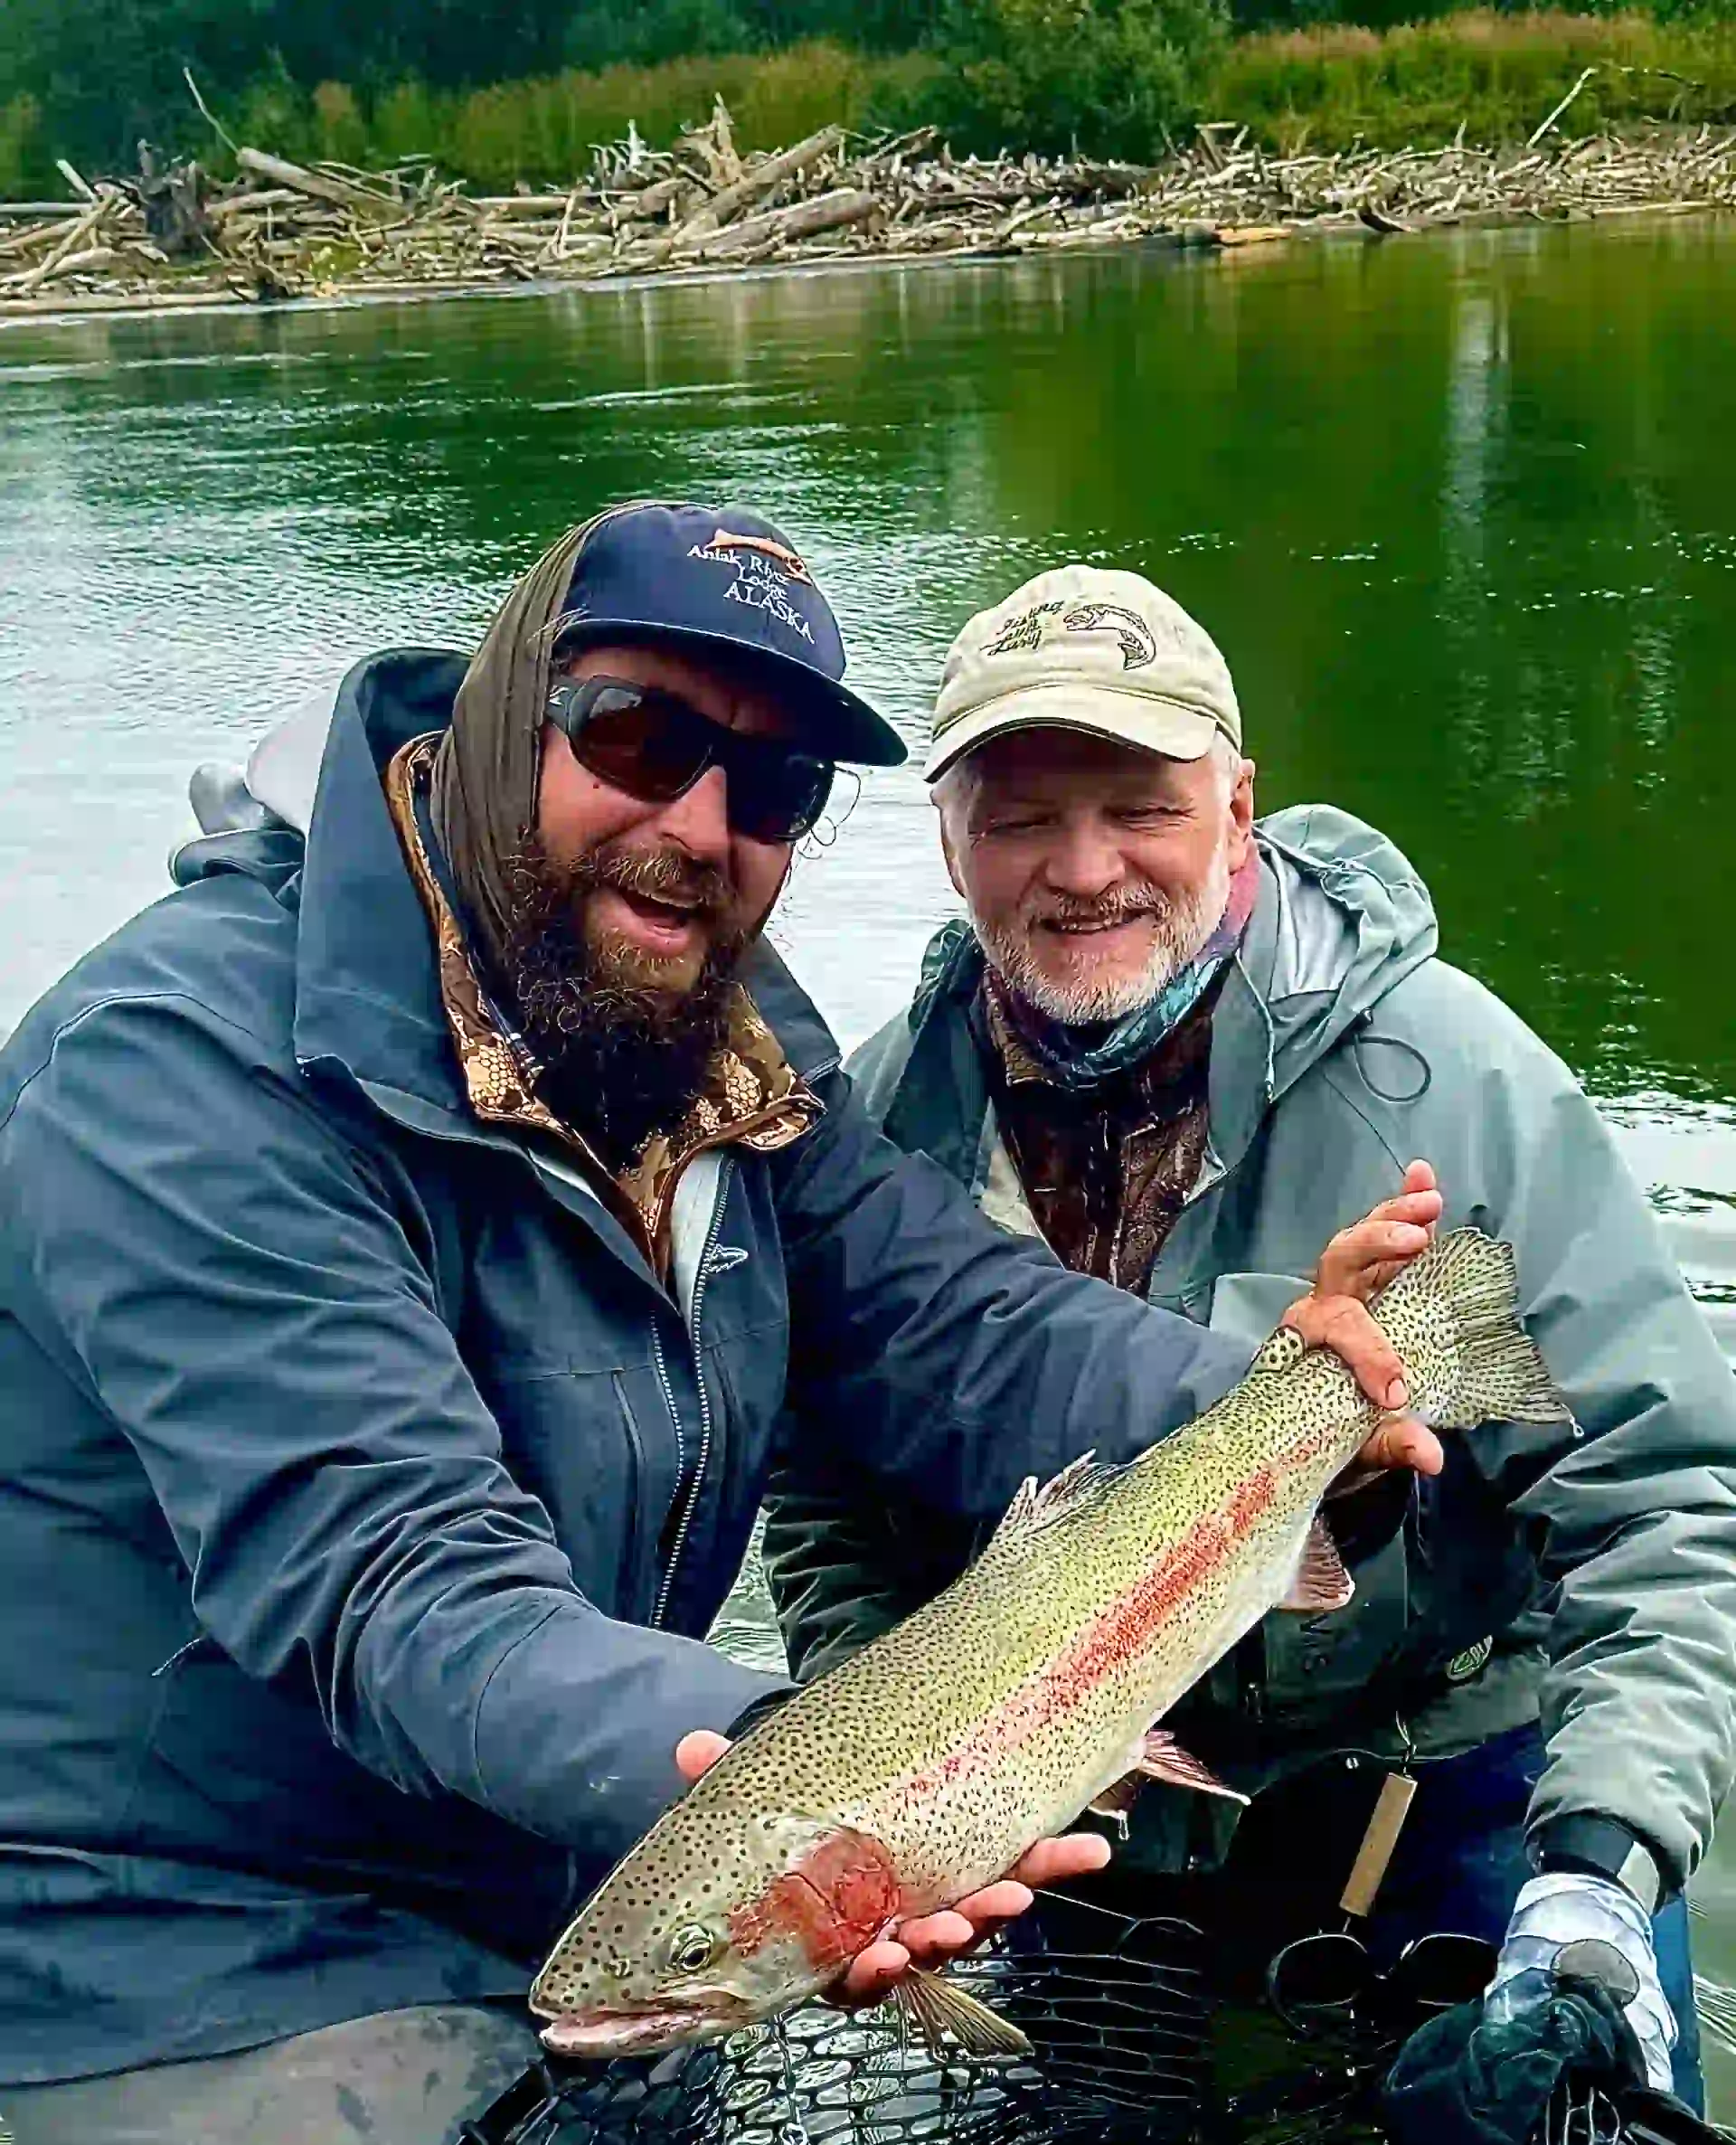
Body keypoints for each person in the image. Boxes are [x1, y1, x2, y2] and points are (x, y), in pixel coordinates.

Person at [0, 507, 1434, 2145]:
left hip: (589, 1877)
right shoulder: (174, 1072)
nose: (698, 825)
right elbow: (396, 1580)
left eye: (772, 788)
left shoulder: (708, 1037)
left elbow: (965, 1330)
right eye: (637, 736)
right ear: (492, 721)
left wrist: (1290, 1398)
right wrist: (804, 1792)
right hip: (183, 1952)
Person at [761, 563, 1736, 2120]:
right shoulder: (866, 1132)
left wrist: (1600, 1875)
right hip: (1089, 1856)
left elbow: (1667, 1503)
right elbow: (820, 1502)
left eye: (1140, 803)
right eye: (1018, 815)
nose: (1083, 869)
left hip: (1466, 1806)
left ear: (1240, 803)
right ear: (945, 839)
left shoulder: (1452, 1088)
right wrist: (916, 1780)